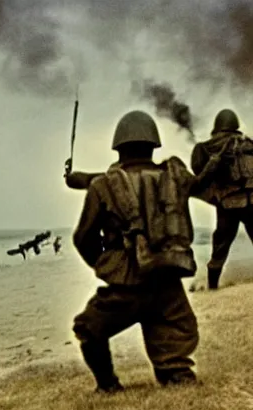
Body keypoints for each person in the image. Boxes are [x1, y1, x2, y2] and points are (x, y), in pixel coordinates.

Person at [70, 110, 208, 393]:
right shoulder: (173, 178)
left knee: (89, 328)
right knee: (173, 349)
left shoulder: (102, 186)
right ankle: (178, 376)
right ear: (153, 144)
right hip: (168, 276)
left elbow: (83, 238)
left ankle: (108, 386)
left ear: (118, 147)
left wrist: (107, 263)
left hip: (126, 283)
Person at [190, 109, 253, 289]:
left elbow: (198, 170)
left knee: (220, 247)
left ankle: (212, 286)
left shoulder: (210, 146)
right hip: (252, 202)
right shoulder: (248, 144)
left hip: (228, 203)